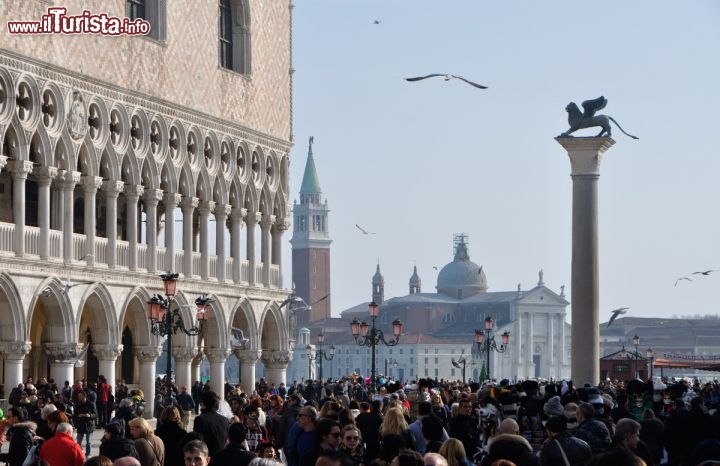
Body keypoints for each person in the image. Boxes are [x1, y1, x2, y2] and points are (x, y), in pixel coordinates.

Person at [192, 390, 229, 457]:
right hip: (222, 457)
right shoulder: (225, 420)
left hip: (207, 457)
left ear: (203, 403)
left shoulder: (200, 419)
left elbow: (197, 442)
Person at [74, 390, 98, 457]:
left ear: (84, 396)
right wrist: (78, 416)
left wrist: (89, 415)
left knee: (88, 442)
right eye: (78, 396)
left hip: (89, 425)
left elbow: (95, 415)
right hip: (80, 424)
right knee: (78, 442)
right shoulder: (77, 405)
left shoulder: (91, 404)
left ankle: (88, 455)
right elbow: (75, 415)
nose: (79, 397)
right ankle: (78, 453)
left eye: (80, 396)